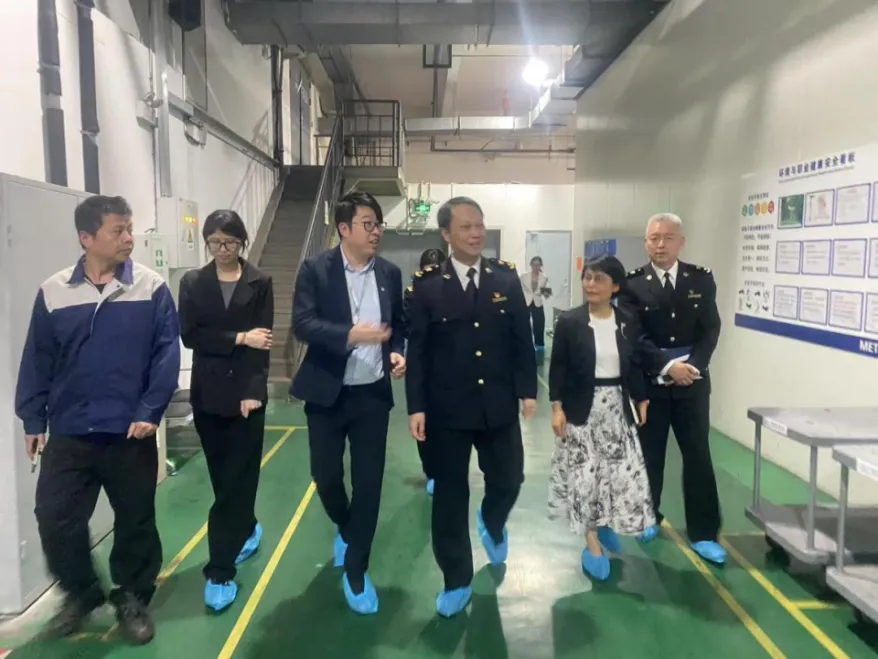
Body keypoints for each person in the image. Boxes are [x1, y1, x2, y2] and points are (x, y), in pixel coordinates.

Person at [14, 195, 180, 644]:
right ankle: (82, 592)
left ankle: (132, 595)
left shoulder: (150, 288)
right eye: (118, 231)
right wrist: (33, 419)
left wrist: (150, 410)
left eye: (130, 229)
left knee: (135, 519)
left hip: (129, 431)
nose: (129, 238)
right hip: (71, 431)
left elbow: (167, 353)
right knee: (55, 517)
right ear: (86, 238)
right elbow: (38, 358)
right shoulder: (54, 292)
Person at [405, 196, 537, 618]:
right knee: (449, 496)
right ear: (446, 234)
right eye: (465, 227)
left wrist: (528, 390)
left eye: (479, 225)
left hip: (497, 403)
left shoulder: (505, 278)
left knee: (510, 478)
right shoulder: (427, 286)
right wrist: (416, 406)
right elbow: (417, 351)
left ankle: (492, 520)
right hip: (447, 408)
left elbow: (521, 339)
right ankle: (456, 578)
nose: (476, 233)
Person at [290, 191, 406, 615]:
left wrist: (398, 351)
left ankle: (357, 570)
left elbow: (399, 325)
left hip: (372, 395)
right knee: (325, 476)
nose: (376, 232)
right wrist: (351, 335)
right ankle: (346, 525)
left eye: (378, 224)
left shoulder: (389, 273)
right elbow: (302, 324)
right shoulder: (316, 270)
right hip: (327, 393)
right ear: (343, 228)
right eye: (367, 224)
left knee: (369, 484)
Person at [178, 209, 274, 612]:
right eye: (215, 243)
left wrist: (253, 390)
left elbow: (262, 341)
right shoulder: (192, 282)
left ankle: (219, 571)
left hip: (246, 397)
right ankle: (247, 527)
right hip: (208, 395)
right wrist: (239, 337)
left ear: (242, 242)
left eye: (230, 242)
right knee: (223, 478)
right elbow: (190, 335)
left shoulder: (259, 282)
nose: (222, 249)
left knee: (239, 481)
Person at [617, 212, 725, 564]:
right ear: (646, 242)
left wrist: (692, 366)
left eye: (667, 238)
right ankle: (648, 515)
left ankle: (704, 533)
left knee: (698, 456)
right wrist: (667, 367)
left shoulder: (701, 279)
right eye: (653, 238)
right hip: (651, 385)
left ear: (681, 242)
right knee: (650, 455)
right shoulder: (632, 284)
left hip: (692, 384)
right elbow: (634, 335)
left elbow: (710, 329)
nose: (660, 245)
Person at [547, 255, 654, 581]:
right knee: (586, 479)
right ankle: (591, 542)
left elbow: (634, 364)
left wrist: (641, 398)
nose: (590, 285)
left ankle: (606, 524)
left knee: (616, 475)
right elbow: (558, 369)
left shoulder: (627, 321)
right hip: (582, 411)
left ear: (615, 286)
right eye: (587, 278)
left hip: (616, 409)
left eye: (599, 279)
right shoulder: (570, 322)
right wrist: (557, 408)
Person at [403, 247, 447, 496]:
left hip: (452, 366)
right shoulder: (413, 294)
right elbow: (409, 327)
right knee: (423, 420)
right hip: (423, 364)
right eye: (427, 270)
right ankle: (431, 470)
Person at [519, 256, 551, 351]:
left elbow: (547, 294)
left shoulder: (544, 277)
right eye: (534, 264)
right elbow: (518, 287)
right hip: (526, 301)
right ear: (531, 265)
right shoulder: (523, 276)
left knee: (539, 323)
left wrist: (546, 291)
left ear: (541, 266)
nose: (536, 266)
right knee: (523, 323)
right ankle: (524, 343)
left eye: (538, 265)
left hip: (537, 302)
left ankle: (539, 344)